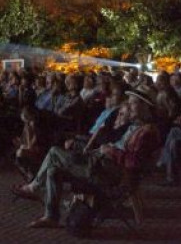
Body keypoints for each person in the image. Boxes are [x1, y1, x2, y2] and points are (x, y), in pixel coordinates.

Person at [11, 88, 161, 228]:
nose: (129, 105)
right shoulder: (135, 126)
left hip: (107, 172)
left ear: (144, 106)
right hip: (100, 163)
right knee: (52, 170)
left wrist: (111, 150)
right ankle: (51, 216)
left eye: (133, 103)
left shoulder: (147, 132)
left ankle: (34, 187)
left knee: (54, 151)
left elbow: (134, 162)